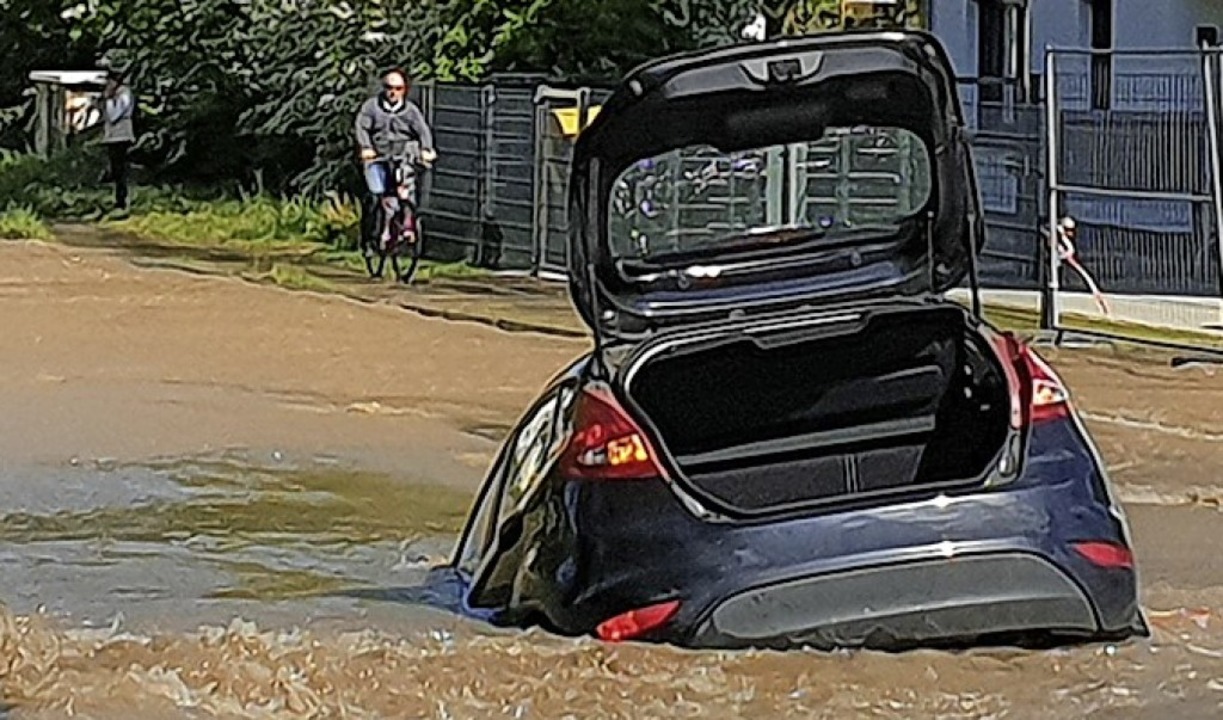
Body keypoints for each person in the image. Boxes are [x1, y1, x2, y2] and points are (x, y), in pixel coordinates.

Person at [354, 68, 437, 249]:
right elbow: (361, 127)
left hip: (402, 157)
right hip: (378, 156)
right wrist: (366, 147)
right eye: (389, 87)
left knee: (406, 188)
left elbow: (423, 131)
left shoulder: (411, 111)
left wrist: (426, 149)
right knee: (378, 193)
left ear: (404, 90)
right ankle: (375, 232)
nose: (393, 92)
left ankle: (407, 225)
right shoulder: (371, 107)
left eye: (398, 88)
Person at [100, 67, 136, 215]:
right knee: (116, 168)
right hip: (113, 136)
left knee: (120, 170)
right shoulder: (116, 94)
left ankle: (122, 200)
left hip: (121, 135)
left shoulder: (124, 94)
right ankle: (118, 198)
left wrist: (108, 100)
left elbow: (114, 115)